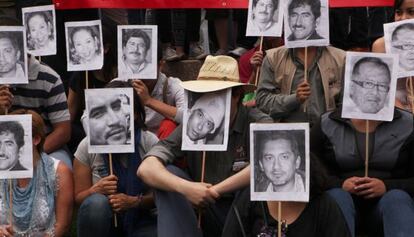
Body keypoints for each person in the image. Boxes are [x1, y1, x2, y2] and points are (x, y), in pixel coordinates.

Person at [137, 55, 272, 237]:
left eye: (217, 94)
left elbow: (265, 167)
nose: (209, 100)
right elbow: (146, 168)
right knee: (167, 173)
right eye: (203, 94)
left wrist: (214, 191)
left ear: (236, 96)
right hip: (201, 211)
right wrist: (186, 188)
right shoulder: (191, 123)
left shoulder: (257, 122)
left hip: (242, 212)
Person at [311, 105, 414, 237]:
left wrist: (386, 187)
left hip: (389, 206)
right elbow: (309, 175)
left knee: (397, 199)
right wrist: (340, 184)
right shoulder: (327, 122)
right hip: (341, 204)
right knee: (337, 197)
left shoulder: (407, 123)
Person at [74, 80, 158, 237]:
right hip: (103, 223)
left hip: (143, 220)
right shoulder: (86, 147)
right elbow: (79, 198)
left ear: (135, 113)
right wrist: (95, 190)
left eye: (118, 108)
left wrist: (134, 202)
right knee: (97, 204)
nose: (112, 120)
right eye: (100, 113)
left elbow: (163, 196)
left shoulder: (149, 142)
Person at [0, 16, 72, 170]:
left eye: (7, 50)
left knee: (61, 169)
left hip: (44, 146)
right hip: (3, 148)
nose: (1, 58)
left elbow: (63, 130)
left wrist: (31, 154)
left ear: (19, 51)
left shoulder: (49, 77)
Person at [221, 155, 351, 237]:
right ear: (261, 165)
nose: (277, 167)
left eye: (285, 157)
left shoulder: (324, 205)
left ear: (299, 162)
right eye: (269, 157)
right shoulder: (251, 199)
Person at [0, 109, 73, 237]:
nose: (2, 150)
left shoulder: (59, 171)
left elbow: (63, 225)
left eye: (9, 142)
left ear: (36, 139)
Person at [256, 43, 345, 126]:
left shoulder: (341, 59)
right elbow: (262, 101)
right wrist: (294, 99)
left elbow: (347, 106)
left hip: (328, 135)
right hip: (288, 133)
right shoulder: (273, 58)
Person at [372, 0, 414, 111]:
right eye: (398, 12)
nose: (403, 18)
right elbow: (379, 88)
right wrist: (404, 114)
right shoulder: (381, 46)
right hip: (394, 111)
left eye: (411, 12)